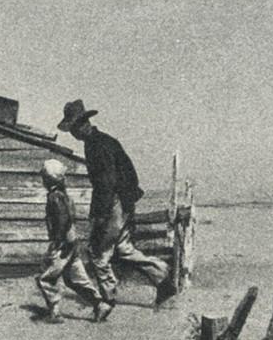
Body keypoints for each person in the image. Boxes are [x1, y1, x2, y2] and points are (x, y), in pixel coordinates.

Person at [57, 100, 174, 321]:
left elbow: (106, 184)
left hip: (114, 203)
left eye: (72, 129)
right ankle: (163, 278)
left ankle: (107, 301)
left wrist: (100, 216)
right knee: (124, 249)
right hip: (123, 202)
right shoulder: (104, 141)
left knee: (98, 254)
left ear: (81, 125)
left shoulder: (96, 146)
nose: (72, 134)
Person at [35, 158, 100, 323]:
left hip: (63, 242)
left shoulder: (54, 197)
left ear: (49, 179)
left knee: (46, 276)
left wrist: (59, 240)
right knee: (75, 277)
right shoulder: (65, 195)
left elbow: (62, 219)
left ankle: (55, 311)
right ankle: (98, 302)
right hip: (71, 240)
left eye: (44, 177)